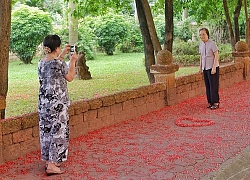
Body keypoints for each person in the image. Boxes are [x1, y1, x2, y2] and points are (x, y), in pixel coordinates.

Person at [38, 35, 78, 175]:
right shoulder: (59, 64)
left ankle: (49, 160)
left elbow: (54, 65)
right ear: (57, 47)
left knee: (47, 132)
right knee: (58, 132)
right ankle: (52, 165)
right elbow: (70, 77)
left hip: (44, 104)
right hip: (58, 104)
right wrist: (72, 61)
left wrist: (62, 55)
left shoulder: (41, 62)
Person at [198, 28, 220, 110]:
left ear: (207, 34)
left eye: (203, 34)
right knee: (207, 86)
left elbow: (216, 55)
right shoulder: (201, 44)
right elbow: (201, 57)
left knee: (213, 85)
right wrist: (200, 68)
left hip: (212, 67)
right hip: (205, 67)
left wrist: (214, 67)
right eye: (200, 34)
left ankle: (216, 102)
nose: (202, 36)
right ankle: (210, 102)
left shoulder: (212, 44)